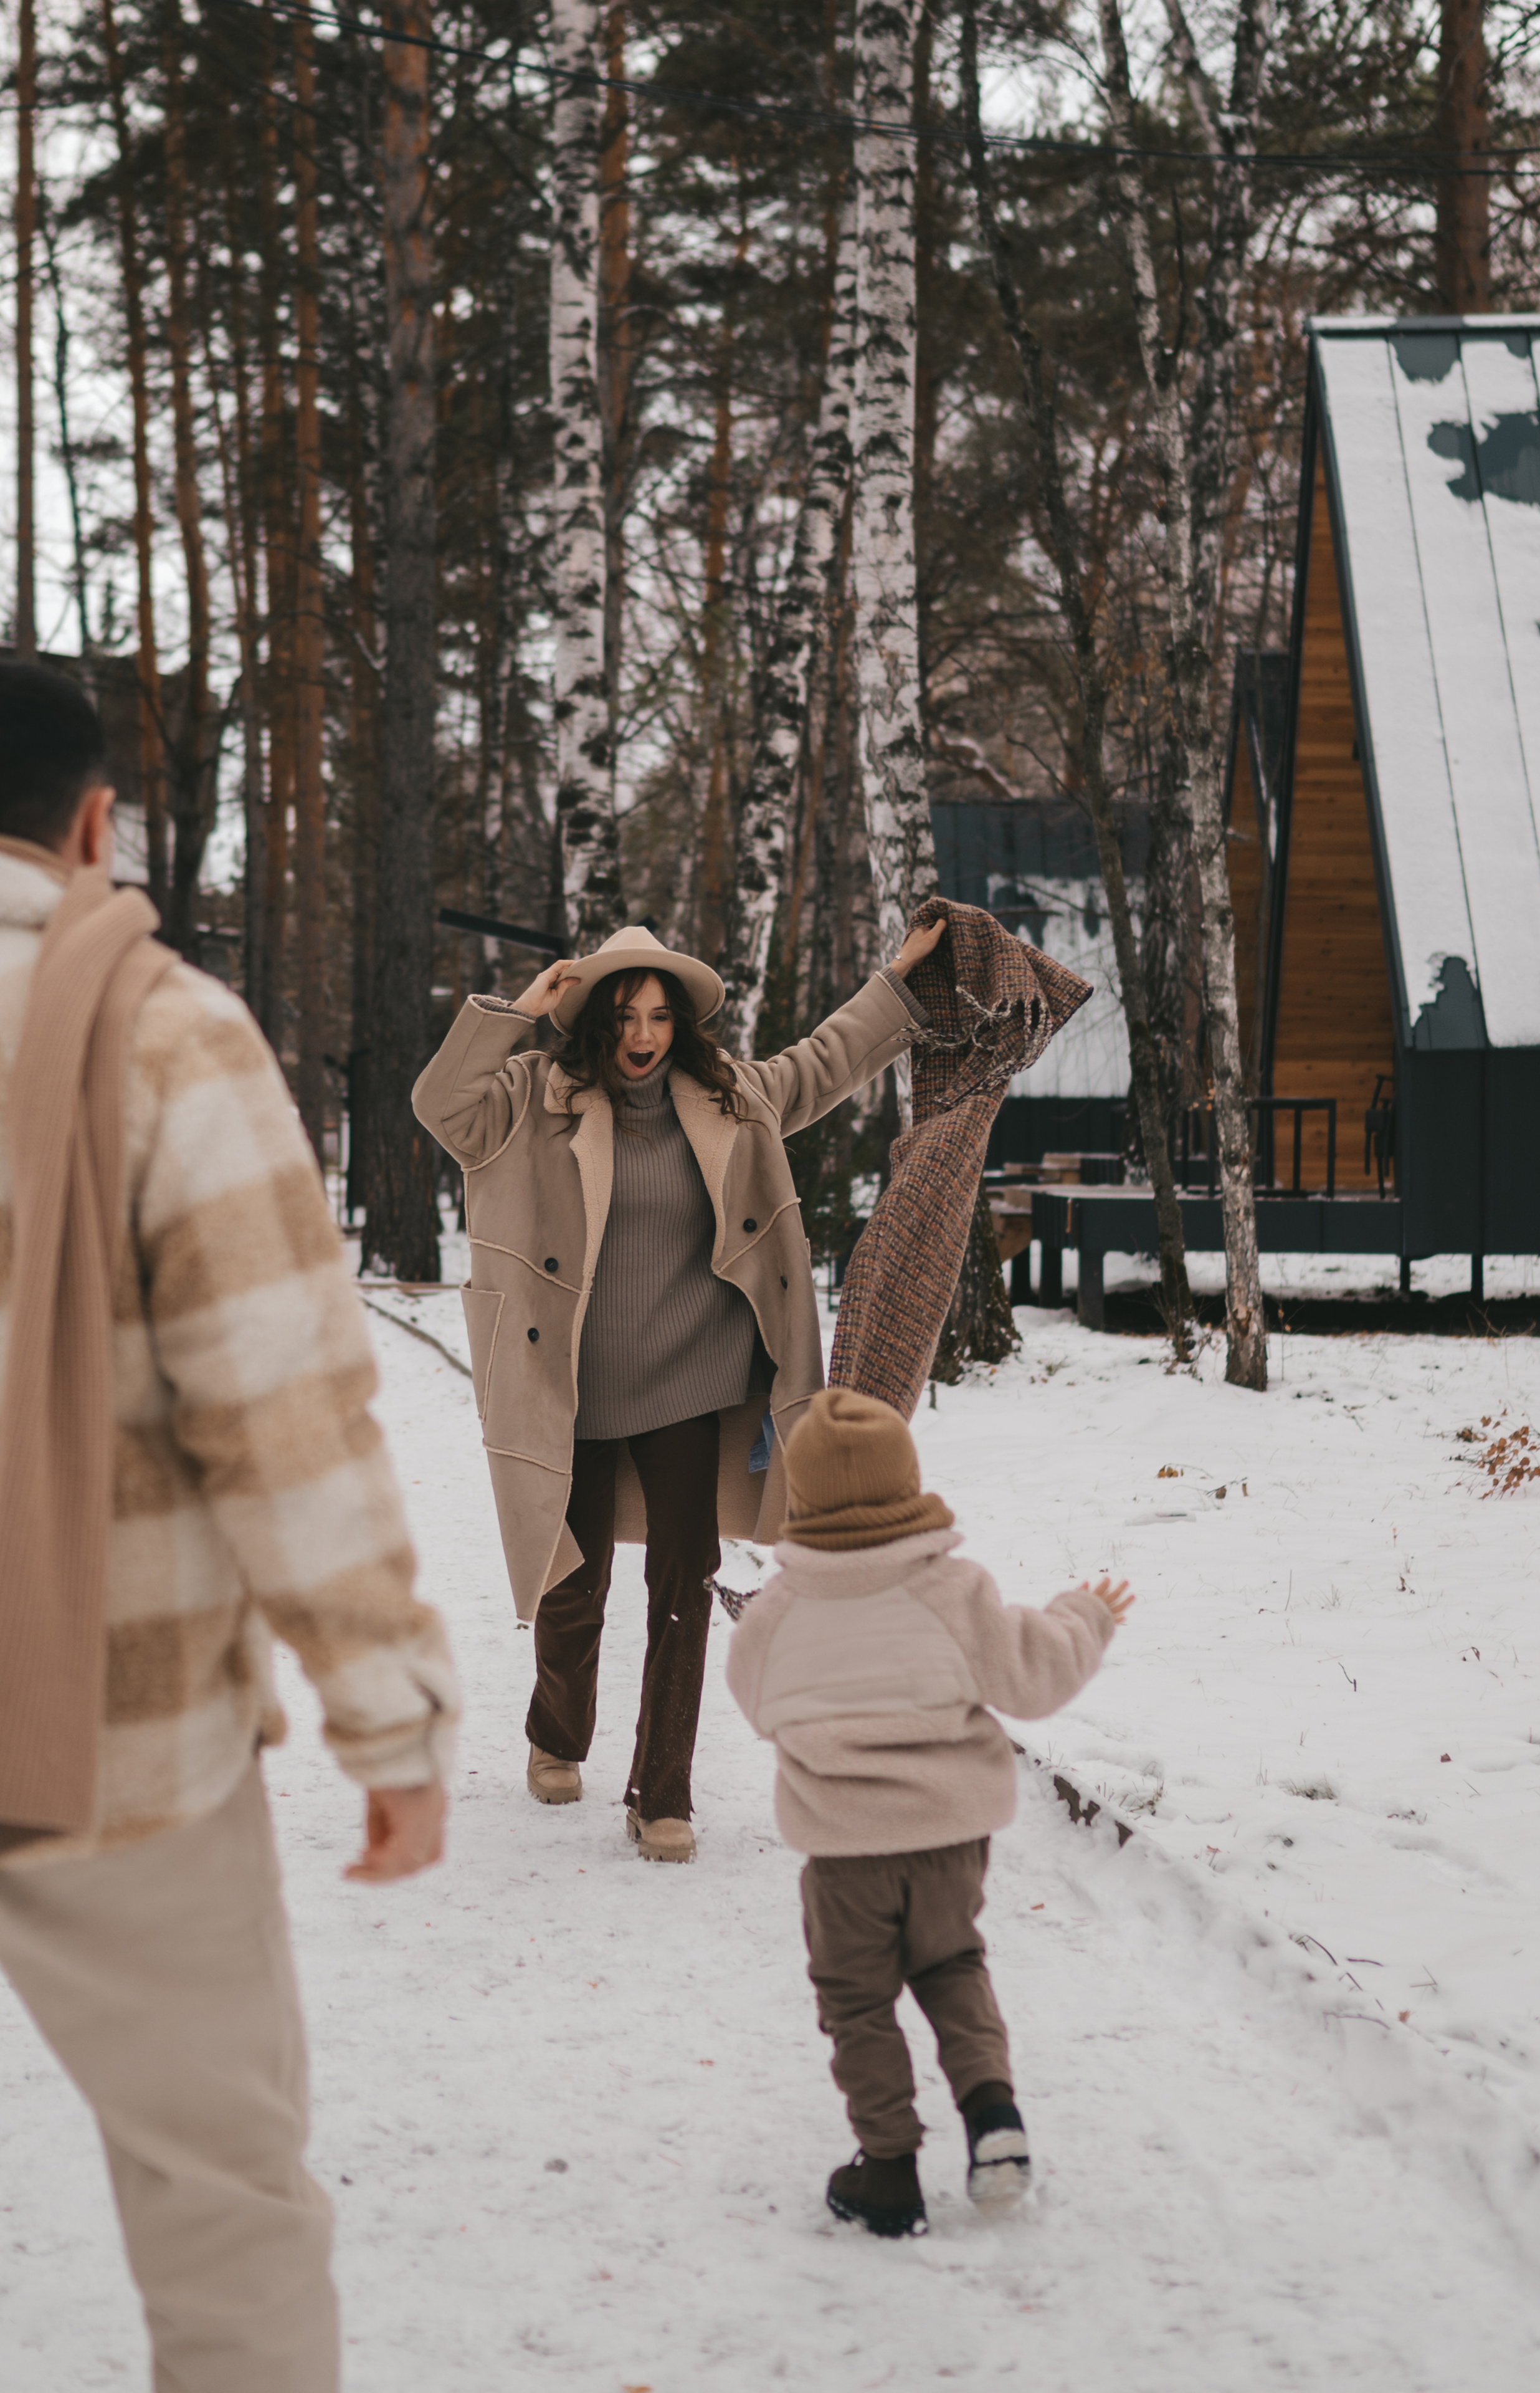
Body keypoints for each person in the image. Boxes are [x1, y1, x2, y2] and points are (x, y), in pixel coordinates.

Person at [0, 662, 459, 2392]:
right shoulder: (163, 1031)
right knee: (223, 2209)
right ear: (95, 823)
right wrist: (391, 1720)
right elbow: (278, 1415)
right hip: (110, 1744)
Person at [413, 915, 943, 1863]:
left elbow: (827, 1061)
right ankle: (557, 1732)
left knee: (681, 1582)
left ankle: (663, 1790)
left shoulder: (731, 1097)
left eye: (659, 1016)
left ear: (682, 1024)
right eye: (624, 1016)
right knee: (572, 1584)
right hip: (567, 1380)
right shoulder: (532, 1097)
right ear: (593, 1021)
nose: (643, 1036)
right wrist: (512, 1015)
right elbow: (441, 1107)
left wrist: (898, 984)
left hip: (691, 1378)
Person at [726, 1387, 1133, 2238]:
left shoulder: (777, 1614)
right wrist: (1084, 1615)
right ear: (909, 1485)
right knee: (951, 1967)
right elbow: (1036, 1674)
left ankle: (889, 2168)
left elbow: (757, 1704)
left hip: (844, 1856)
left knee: (858, 2000)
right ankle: (993, 2118)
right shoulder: (955, 1593)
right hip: (952, 1842)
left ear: (800, 1499)